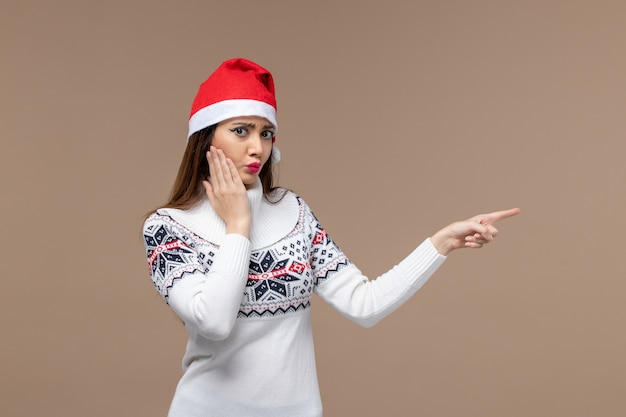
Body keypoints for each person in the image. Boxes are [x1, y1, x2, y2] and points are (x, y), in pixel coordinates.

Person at [142, 57, 520, 417]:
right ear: (205, 137)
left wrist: (441, 243)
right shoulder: (167, 228)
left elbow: (364, 304)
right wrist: (238, 224)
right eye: (240, 130)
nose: (257, 147)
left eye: (266, 132)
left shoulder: (294, 214)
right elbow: (214, 322)